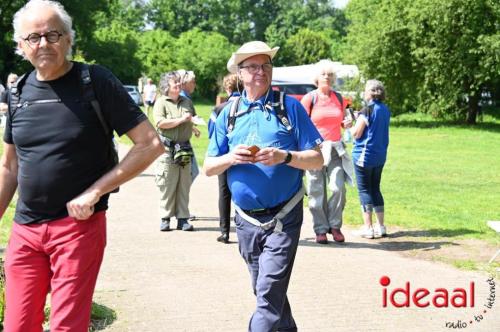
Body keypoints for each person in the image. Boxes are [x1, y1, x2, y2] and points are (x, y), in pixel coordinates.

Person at [0, 1, 164, 331]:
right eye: (33, 37)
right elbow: (9, 167)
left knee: (67, 326)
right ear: (21, 45)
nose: (43, 43)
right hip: (26, 231)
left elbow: (150, 144)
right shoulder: (17, 93)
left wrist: (94, 192)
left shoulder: (95, 81)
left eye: (52, 34)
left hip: (77, 228)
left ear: (68, 38)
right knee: (17, 326)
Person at [203, 41, 323, 332]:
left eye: (266, 66)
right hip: (245, 221)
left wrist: (286, 157)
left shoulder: (289, 107)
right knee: (265, 290)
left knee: (268, 294)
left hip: (284, 216)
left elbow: (317, 159)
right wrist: (231, 158)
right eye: (254, 67)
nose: (261, 72)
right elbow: (208, 167)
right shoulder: (228, 114)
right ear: (240, 73)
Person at [300, 60, 354, 244]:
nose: (327, 77)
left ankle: (335, 225)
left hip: (336, 149)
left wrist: (347, 123)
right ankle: (321, 229)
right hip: (316, 150)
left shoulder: (339, 98)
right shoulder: (310, 99)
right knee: (316, 192)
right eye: (324, 74)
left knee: (338, 188)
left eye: (330, 75)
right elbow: (301, 124)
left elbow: (346, 118)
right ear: (317, 78)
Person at [154, 71, 200, 232]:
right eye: (176, 84)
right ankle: (165, 218)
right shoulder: (161, 102)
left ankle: (183, 219)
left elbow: (192, 116)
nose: (179, 86)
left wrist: (193, 126)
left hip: (184, 149)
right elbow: (160, 123)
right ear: (167, 87)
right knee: (168, 183)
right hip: (167, 150)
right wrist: (182, 120)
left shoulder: (186, 101)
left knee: (184, 184)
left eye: (180, 83)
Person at [350, 79, 390, 239]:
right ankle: (381, 226)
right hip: (379, 155)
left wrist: (350, 126)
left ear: (370, 92)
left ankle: (368, 227)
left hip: (364, 156)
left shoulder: (368, 109)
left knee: (365, 190)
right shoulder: (385, 109)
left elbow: (356, 133)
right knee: (375, 188)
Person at [207, 73, 241, 243]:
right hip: (243, 155)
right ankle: (244, 227)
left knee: (224, 192)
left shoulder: (220, 108)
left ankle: (225, 231)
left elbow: (211, 131)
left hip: (224, 156)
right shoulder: (247, 105)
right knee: (241, 189)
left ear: (227, 88)